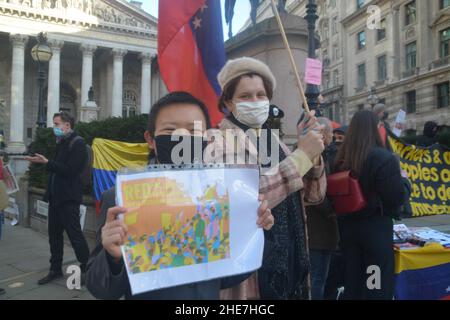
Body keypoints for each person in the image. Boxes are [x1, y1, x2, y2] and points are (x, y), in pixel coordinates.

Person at [85, 92, 275, 300]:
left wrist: (256, 233)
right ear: (151, 139)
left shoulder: (220, 198)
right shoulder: (119, 198)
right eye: (171, 129)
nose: (183, 137)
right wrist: (112, 259)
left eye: (194, 130)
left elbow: (227, 277)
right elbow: (101, 289)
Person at [214, 57, 326, 300]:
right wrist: (301, 157)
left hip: (292, 263)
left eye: (261, 95)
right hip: (257, 274)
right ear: (228, 102)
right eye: (245, 96)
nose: (255, 101)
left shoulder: (273, 140)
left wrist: (313, 157)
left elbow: (312, 195)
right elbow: (247, 199)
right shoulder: (218, 141)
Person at [334, 110, 407, 300]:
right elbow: (395, 198)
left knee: (354, 282)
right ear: (376, 129)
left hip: (349, 231)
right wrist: (405, 183)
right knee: (374, 285)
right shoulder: (383, 158)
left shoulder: (341, 159)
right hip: (375, 232)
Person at [26, 112, 90, 285]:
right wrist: (43, 162)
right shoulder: (61, 142)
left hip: (69, 199)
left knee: (75, 236)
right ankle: (55, 269)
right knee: (54, 236)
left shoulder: (78, 143)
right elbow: (57, 169)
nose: (54, 127)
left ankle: (87, 269)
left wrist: (47, 162)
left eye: (56, 124)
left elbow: (70, 170)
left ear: (67, 125)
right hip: (55, 198)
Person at [305, 117, 339, 300]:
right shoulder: (315, 157)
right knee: (317, 279)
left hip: (322, 232)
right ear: (324, 134)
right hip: (317, 231)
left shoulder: (324, 155)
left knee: (321, 277)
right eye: (331, 133)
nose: (333, 137)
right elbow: (317, 194)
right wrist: (333, 210)